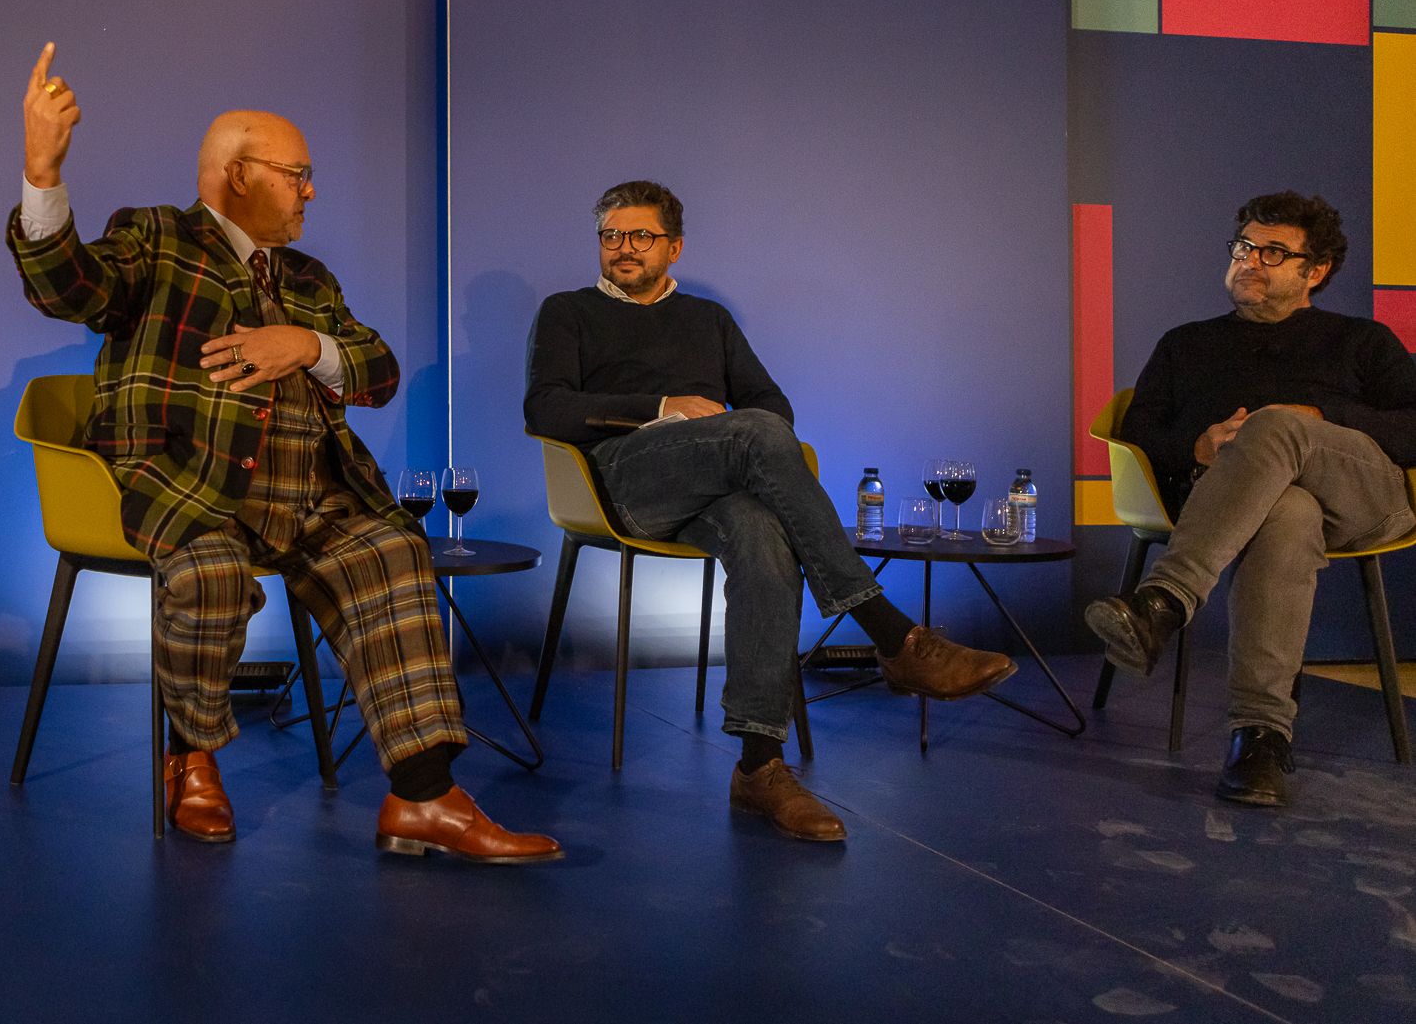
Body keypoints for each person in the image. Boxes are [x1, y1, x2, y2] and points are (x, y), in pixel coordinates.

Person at [8, 44, 559, 862]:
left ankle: (422, 797)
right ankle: (191, 755)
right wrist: (43, 172)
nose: (311, 190)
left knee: (393, 550)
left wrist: (305, 344)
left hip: (312, 496)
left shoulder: (309, 278)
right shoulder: (155, 238)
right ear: (238, 175)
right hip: (192, 486)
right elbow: (68, 287)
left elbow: (378, 371)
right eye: (297, 174)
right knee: (211, 572)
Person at [524, 180, 1017, 843]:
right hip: (621, 480)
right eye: (611, 235)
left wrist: (727, 437)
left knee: (762, 532)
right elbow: (545, 408)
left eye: (641, 235)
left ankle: (759, 766)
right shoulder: (568, 311)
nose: (624, 248)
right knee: (755, 434)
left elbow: (771, 404)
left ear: (674, 247)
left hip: (710, 486)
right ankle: (892, 633)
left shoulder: (709, 321)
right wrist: (664, 407)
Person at [1085, 190, 1416, 807]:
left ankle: (1165, 599)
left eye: (1273, 252)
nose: (1250, 262)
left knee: (1275, 424)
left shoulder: (1362, 342)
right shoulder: (1184, 344)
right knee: (1287, 512)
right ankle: (1259, 738)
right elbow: (1140, 430)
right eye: (1244, 248)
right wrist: (1197, 444)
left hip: (1363, 500)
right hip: (1245, 507)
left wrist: (1319, 417)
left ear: (1315, 271)